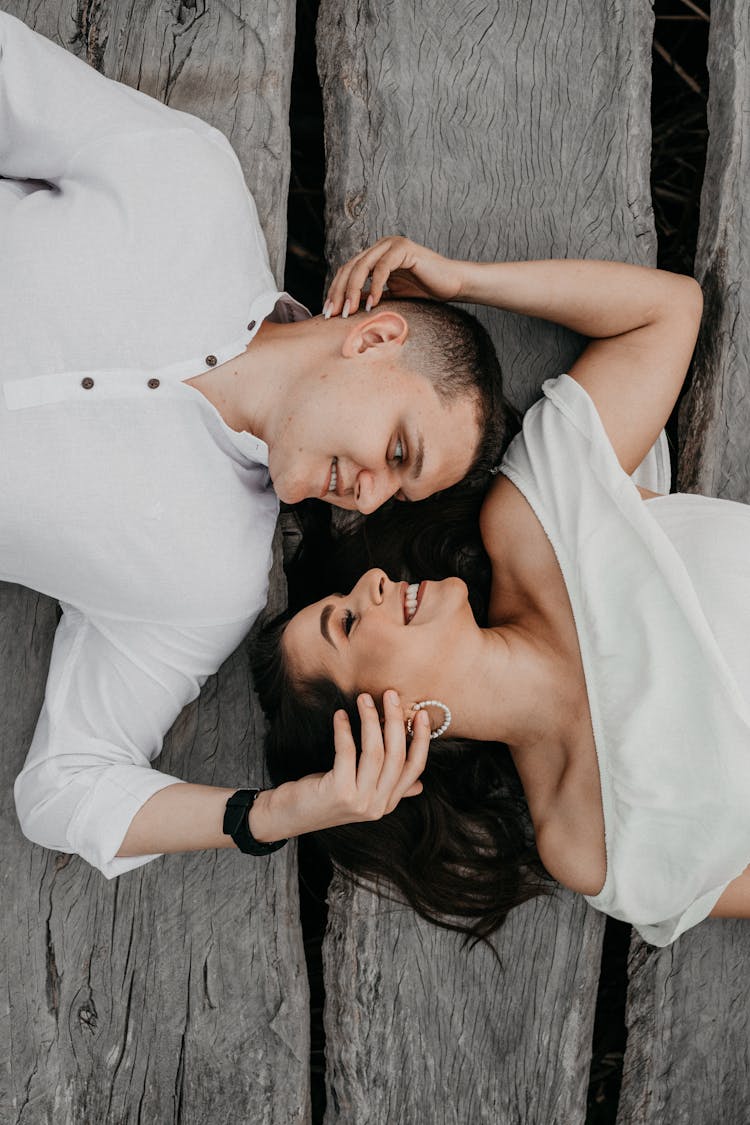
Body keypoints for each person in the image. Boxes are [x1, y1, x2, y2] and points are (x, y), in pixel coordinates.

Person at [1, 13, 513, 875]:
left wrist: (274, 813)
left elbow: (65, 788)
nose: (369, 496)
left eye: (396, 495)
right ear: (377, 338)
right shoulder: (188, 184)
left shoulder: (207, 585)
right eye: (398, 452)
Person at [254, 236, 750, 948]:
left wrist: (463, 280)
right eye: (347, 624)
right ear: (393, 732)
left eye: (344, 597)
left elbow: (668, 312)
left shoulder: (532, 522)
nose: (369, 583)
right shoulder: (591, 841)